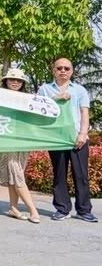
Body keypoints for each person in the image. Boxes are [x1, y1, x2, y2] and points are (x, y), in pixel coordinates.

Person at [38, 58, 97, 223]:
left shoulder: (79, 90)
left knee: (81, 175)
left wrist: (83, 133)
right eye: (59, 68)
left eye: (66, 68)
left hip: (77, 138)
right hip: (56, 139)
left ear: (72, 71)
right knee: (59, 174)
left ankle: (84, 210)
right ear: (53, 70)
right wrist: (56, 98)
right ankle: (62, 208)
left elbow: (84, 112)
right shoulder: (44, 89)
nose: (63, 71)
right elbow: (39, 111)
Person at [0, 68, 40, 224]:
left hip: (23, 141)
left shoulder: (29, 99)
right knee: (16, 172)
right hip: (5, 140)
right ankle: (33, 210)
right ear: (6, 81)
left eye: (19, 80)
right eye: (12, 79)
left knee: (15, 174)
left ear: (23, 83)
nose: (15, 82)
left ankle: (13, 207)